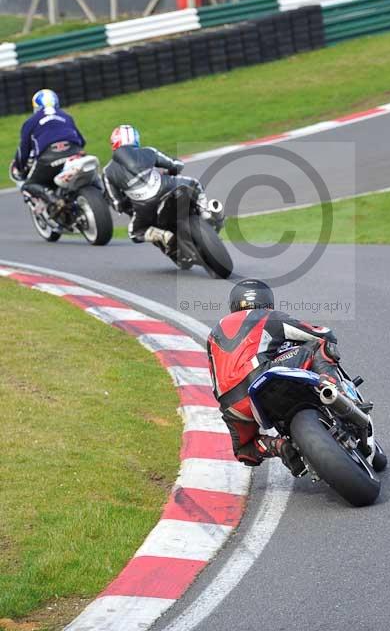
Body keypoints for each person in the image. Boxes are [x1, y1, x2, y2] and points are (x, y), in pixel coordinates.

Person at [207, 279, 343, 475]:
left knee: (244, 451)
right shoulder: (268, 316)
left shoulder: (213, 335)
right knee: (318, 346)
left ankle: (277, 446)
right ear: (267, 301)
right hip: (262, 376)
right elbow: (321, 334)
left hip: (233, 404)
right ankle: (332, 390)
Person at [102, 124, 202, 250]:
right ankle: (207, 213)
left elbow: (117, 203)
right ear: (136, 139)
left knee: (134, 233)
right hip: (166, 187)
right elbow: (176, 164)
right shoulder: (149, 151)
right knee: (195, 183)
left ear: (114, 143)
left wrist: (127, 205)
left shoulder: (107, 171)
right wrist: (171, 172)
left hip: (143, 207)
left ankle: (162, 235)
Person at [12, 89, 85, 206]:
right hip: (75, 153)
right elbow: (81, 141)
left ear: (36, 106)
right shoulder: (66, 116)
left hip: (49, 158)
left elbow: (23, 151)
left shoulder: (30, 122)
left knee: (28, 186)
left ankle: (54, 199)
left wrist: (20, 168)